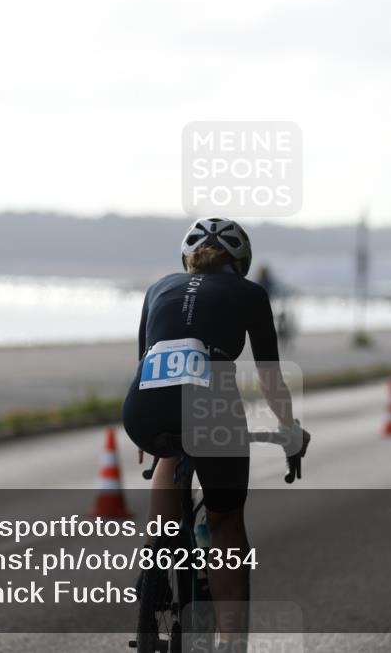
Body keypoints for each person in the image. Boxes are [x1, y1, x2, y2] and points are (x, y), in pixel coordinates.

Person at [122, 217, 308, 651]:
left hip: (142, 407)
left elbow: (145, 364)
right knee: (225, 522)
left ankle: (154, 558)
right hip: (211, 408)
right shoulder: (250, 293)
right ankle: (231, 642)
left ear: (187, 258)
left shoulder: (158, 288)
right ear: (240, 261)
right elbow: (268, 379)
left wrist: (141, 440)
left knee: (169, 450)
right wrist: (288, 429)